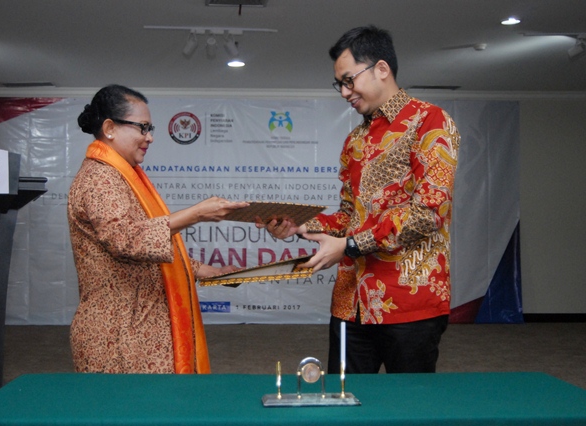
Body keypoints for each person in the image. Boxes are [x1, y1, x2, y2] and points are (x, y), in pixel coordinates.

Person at [259, 25, 460, 374]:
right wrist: (299, 225)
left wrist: (349, 246)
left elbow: (429, 213)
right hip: (350, 302)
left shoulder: (429, 121)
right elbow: (350, 216)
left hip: (409, 300)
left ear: (381, 69)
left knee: (408, 402)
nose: (344, 92)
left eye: (349, 80)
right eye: (339, 84)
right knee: (342, 397)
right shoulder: (355, 139)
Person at [68, 84, 248, 374]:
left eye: (150, 128)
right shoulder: (100, 177)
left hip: (141, 331)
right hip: (120, 337)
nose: (149, 137)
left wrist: (208, 272)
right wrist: (196, 214)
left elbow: (147, 252)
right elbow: (126, 239)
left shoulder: (123, 175)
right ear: (110, 128)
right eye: (142, 128)